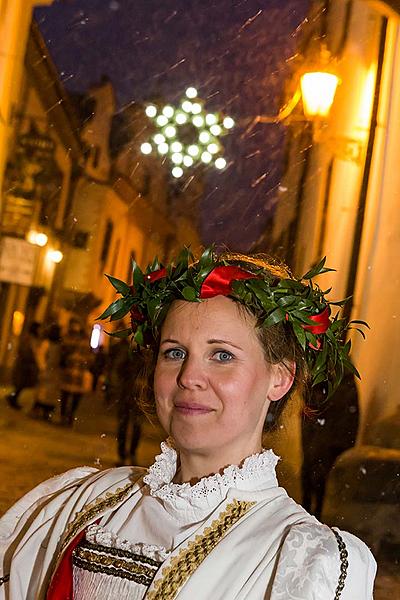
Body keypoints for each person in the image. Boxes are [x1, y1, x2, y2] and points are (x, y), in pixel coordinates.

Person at [0, 248, 376, 599]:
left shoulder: (301, 558)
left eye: (222, 355)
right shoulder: (85, 501)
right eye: (174, 352)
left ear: (280, 378)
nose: (188, 376)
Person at [301, 371, 360, 519]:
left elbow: (344, 409)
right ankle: (309, 511)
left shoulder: (340, 375)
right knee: (311, 471)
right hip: (321, 432)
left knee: (318, 474)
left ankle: (314, 512)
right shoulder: (336, 373)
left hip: (327, 434)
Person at [106, 337, 144, 466]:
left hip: (138, 397)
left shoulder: (146, 359)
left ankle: (130, 453)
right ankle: (123, 455)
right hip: (127, 395)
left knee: (135, 427)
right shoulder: (128, 358)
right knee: (124, 426)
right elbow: (118, 371)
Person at [59, 318, 90, 426]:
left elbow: (64, 351)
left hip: (75, 370)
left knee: (69, 394)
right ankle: (67, 416)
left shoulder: (73, 339)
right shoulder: (72, 339)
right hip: (73, 370)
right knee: (69, 394)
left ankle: (67, 416)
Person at [29, 323, 63, 421]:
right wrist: (43, 368)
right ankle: (38, 410)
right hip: (48, 370)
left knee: (50, 394)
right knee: (42, 392)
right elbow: (41, 356)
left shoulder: (58, 344)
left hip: (54, 372)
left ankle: (46, 412)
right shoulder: (47, 343)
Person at [6, 321, 41, 410]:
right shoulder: (29, 338)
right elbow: (25, 351)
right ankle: (12, 398)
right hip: (24, 365)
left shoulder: (33, 339)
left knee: (22, 385)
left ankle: (13, 398)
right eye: (39, 329)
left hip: (26, 365)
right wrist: (31, 361)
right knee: (20, 384)